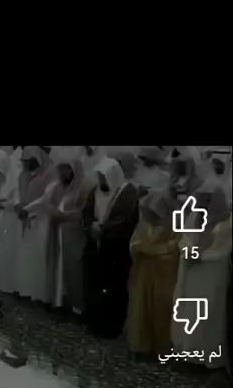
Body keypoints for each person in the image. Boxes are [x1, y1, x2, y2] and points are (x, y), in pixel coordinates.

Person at [171, 181, 232, 369]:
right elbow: (184, 237)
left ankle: (207, 358)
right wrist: (188, 250)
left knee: (208, 315)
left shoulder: (227, 223)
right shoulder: (195, 216)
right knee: (189, 313)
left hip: (211, 274)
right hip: (191, 272)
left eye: (207, 199)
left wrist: (200, 256)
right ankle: (187, 353)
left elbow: (223, 250)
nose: (203, 202)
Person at [83, 156, 139, 338]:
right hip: (96, 244)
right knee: (95, 284)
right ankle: (95, 322)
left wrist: (102, 229)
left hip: (116, 248)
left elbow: (125, 219)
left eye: (104, 177)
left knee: (115, 288)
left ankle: (112, 327)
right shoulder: (96, 190)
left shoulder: (128, 192)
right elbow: (87, 212)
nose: (101, 181)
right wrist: (91, 226)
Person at [127, 190, 180, 355]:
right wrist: (140, 248)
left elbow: (173, 250)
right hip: (144, 274)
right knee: (142, 307)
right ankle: (142, 346)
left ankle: (162, 348)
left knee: (161, 310)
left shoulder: (173, 227)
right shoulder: (144, 225)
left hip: (163, 277)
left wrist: (151, 250)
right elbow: (133, 244)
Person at [47, 157, 91, 314]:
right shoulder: (57, 187)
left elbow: (83, 213)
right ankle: (59, 302)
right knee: (58, 269)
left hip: (74, 236)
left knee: (75, 270)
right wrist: (55, 214)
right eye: (61, 169)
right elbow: (50, 205)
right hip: (58, 234)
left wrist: (63, 216)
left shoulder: (83, 189)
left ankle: (78, 307)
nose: (63, 173)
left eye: (67, 169)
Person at [16, 146, 56, 302]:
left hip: (42, 219)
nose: (26, 164)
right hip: (27, 220)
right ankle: (28, 292)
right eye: (24, 161)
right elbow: (19, 194)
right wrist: (19, 205)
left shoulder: (50, 173)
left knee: (41, 257)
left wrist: (27, 209)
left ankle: (43, 296)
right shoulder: (23, 175)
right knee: (28, 257)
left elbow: (47, 198)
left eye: (29, 161)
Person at [0, 148, 22, 294]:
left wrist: (1, 205)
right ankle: (0, 283)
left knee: (9, 254)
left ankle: (10, 286)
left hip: (11, 220)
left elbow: (17, 202)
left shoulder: (14, 179)